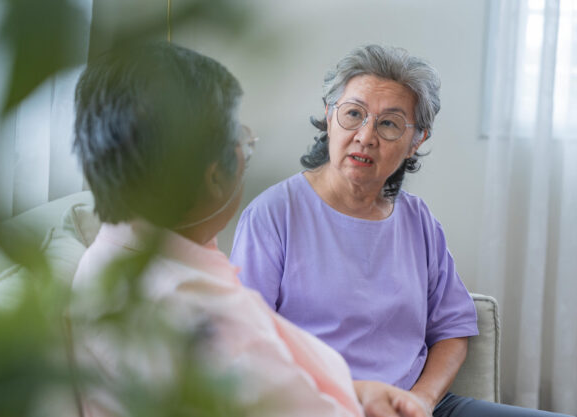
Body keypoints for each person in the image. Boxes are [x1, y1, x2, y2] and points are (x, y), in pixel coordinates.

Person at [230, 45, 572, 417]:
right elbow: (248, 345)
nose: (366, 136)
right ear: (329, 117)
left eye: (389, 123)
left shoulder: (418, 220)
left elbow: (453, 328)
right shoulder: (273, 215)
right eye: (353, 114)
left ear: (417, 141)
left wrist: (421, 401)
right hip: (321, 406)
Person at [70, 42, 374, 417]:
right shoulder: (198, 313)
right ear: (215, 174)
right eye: (241, 139)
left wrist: (358, 391)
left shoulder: (114, 260)